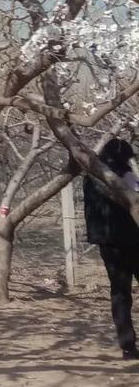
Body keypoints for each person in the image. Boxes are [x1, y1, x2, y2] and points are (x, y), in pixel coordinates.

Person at [83, 137, 139, 360]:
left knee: (120, 292)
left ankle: (127, 345)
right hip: (134, 240)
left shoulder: (90, 177)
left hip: (108, 243)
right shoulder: (126, 176)